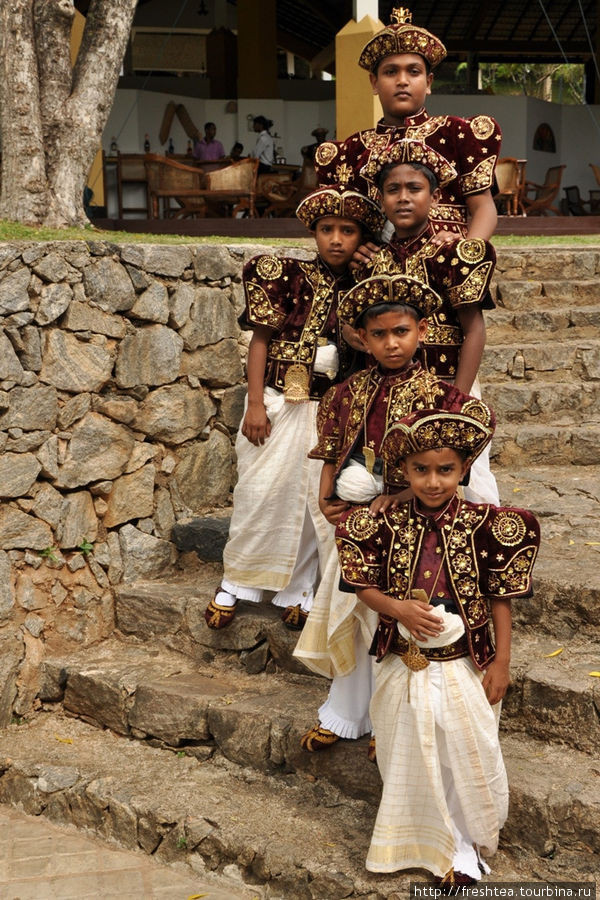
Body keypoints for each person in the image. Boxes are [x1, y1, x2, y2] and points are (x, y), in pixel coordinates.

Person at [335, 406, 540, 886]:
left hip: (466, 664)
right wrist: (398, 608)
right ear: (403, 473)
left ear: (464, 469)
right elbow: (362, 586)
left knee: (462, 753)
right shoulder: (382, 523)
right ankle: (423, 840)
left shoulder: (488, 524)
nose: (433, 481)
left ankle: (464, 840)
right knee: (409, 754)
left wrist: (502, 662)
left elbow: (500, 599)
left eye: (445, 470)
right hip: (402, 662)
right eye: (421, 470)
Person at [294, 274, 496, 747]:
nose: (391, 343)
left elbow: (453, 474)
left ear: (422, 331)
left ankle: (391, 722)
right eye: (379, 334)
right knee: (353, 604)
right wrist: (327, 500)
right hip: (355, 520)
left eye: (401, 332)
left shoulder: (445, 399)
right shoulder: (342, 394)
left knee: (399, 616)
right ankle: (346, 712)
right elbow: (331, 451)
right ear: (361, 339)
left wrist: (401, 499)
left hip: (422, 526)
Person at [203, 185, 385, 631]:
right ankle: (237, 582)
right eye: (327, 230)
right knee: (258, 493)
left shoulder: (369, 288)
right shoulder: (282, 275)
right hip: (277, 403)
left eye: (348, 231)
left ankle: (299, 590)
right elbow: (260, 342)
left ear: (362, 237)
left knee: (310, 502)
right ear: (314, 233)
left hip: (330, 410)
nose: (337, 240)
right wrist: (254, 404)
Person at [354, 137, 499, 505]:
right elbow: (352, 326)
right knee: (394, 479)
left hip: (449, 382)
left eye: (414, 188)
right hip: (387, 392)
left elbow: (474, 330)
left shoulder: (453, 253)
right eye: (393, 190)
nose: (403, 197)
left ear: (434, 199)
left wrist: (457, 399)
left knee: (463, 481)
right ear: (381, 200)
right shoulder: (372, 262)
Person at [314, 8, 501, 244]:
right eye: (390, 72)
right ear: (374, 82)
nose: (402, 81)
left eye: (413, 72)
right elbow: (341, 228)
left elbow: (484, 208)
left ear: (428, 82)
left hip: (446, 266)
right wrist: (355, 252)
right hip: (376, 274)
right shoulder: (351, 151)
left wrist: (466, 250)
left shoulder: (457, 133)